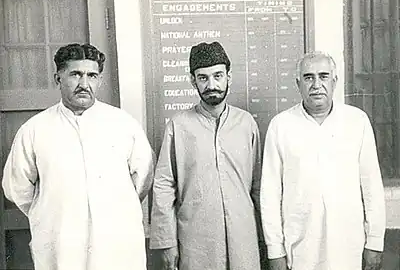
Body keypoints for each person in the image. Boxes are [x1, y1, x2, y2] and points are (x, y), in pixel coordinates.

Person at [2, 43, 154, 270]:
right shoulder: (35, 129)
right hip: (61, 243)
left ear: (100, 80)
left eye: (92, 75)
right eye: (75, 74)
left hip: (115, 242)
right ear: (58, 78)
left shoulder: (123, 125)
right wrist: (52, 209)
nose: (84, 84)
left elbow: (143, 178)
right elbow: (17, 187)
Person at [260, 51, 386, 270]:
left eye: (323, 76)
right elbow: (270, 194)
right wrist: (275, 251)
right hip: (299, 249)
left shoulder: (357, 121)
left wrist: (375, 242)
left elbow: (372, 186)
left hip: (348, 248)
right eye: (308, 77)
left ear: (335, 81)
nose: (316, 84)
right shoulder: (280, 126)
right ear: (298, 83)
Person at [149, 41, 265, 270]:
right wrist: (167, 243)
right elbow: (163, 187)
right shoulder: (178, 126)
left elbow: (259, 185)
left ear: (229, 77)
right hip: (196, 243)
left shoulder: (246, 124)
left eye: (218, 76)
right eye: (203, 78)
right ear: (193, 80)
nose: (212, 84)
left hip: (244, 240)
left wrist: (266, 240)